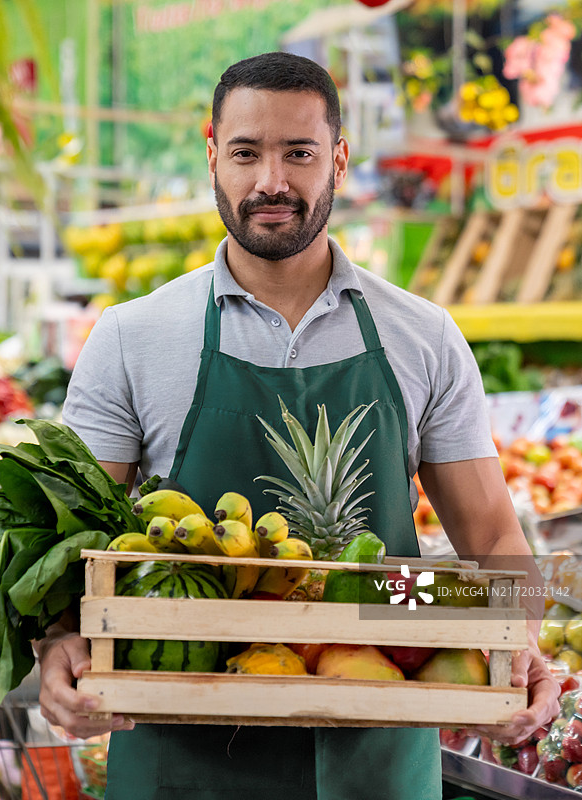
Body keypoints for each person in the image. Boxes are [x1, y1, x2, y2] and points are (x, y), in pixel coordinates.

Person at [37, 51, 559, 799]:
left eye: (299, 153)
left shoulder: (423, 336)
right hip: (180, 757)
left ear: (339, 161)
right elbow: (72, 541)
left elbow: (495, 541)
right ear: (212, 155)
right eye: (246, 152)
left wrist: (521, 643)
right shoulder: (132, 337)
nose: (271, 182)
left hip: (377, 756)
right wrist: (59, 644)